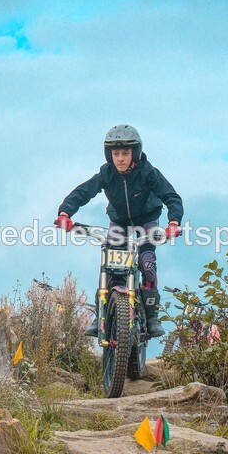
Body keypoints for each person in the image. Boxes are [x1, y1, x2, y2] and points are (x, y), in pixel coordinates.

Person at [55, 124, 183, 338]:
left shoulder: (148, 172)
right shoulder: (106, 174)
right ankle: (101, 314)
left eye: (125, 153)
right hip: (120, 221)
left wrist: (173, 222)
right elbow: (82, 193)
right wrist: (65, 214)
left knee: (147, 262)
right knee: (110, 263)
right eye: (116, 153)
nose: (121, 158)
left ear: (135, 153)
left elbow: (171, 197)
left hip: (147, 220)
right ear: (109, 155)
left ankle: (151, 316)